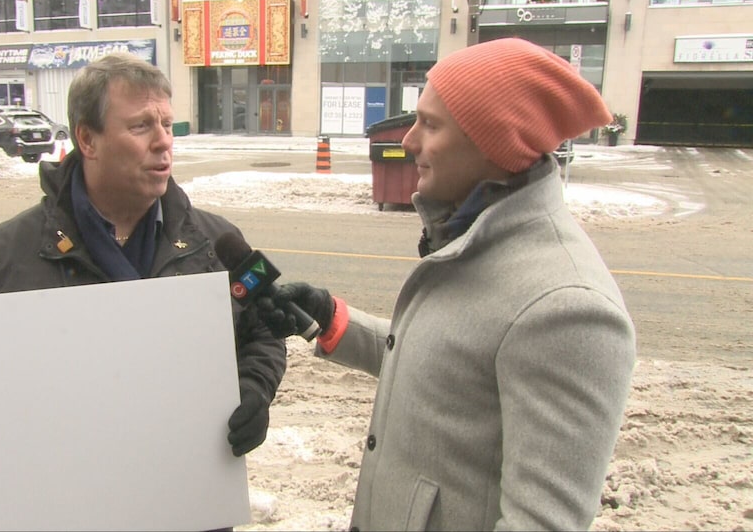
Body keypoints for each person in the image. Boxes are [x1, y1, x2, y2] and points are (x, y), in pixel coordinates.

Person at [257, 38, 637, 530]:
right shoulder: (472, 237)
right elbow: (449, 372)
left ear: (496, 141)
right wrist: (330, 320)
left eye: (430, 125)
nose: (408, 141)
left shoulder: (568, 309)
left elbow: (542, 522)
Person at [0, 53, 286, 458]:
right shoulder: (2, 256)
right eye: (141, 125)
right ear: (88, 139)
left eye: (166, 124)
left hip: (185, 486)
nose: (164, 140)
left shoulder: (217, 241)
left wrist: (254, 389)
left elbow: (266, 329)